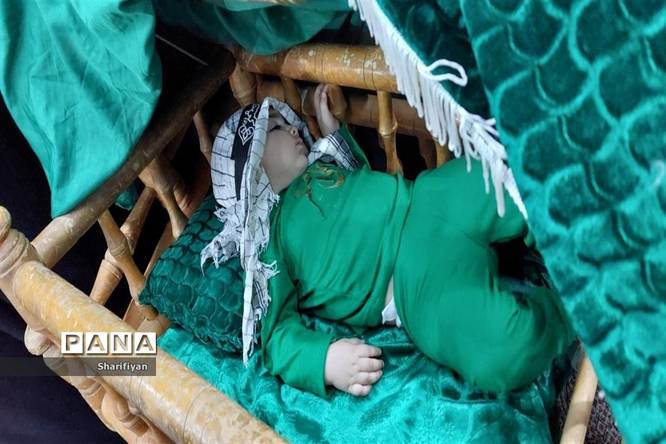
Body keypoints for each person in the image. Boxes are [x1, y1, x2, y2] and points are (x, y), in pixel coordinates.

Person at [201, 84, 575, 398]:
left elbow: (360, 177)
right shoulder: (269, 246)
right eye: (277, 128)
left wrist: (333, 130)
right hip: (413, 282)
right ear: (251, 164)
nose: (295, 129)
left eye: (287, 121)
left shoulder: (319, 167)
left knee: (514, 172)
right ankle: (574, 309)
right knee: (502, 351)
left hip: (429, 198)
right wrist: (326, 361)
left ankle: (587, 223)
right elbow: (277, 337)